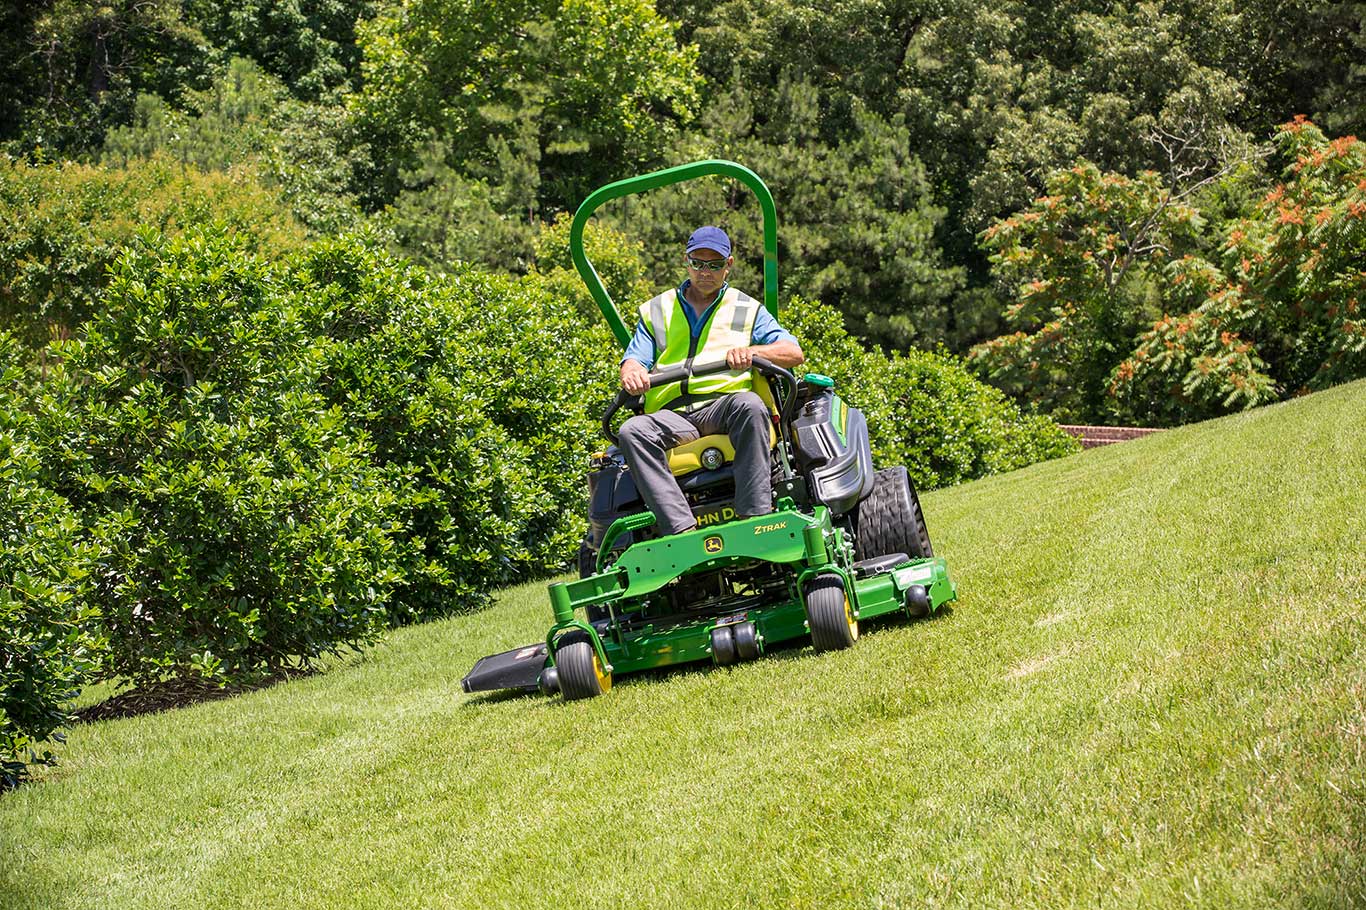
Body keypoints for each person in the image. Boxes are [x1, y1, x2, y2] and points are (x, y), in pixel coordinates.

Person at [617, 225, 805, 536]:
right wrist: (632, 372)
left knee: (750, 405)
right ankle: (680, 531)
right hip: (673, 416)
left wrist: (751, 351)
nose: (706, 272)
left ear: (728, 265)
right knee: (631, 430)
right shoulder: (657, 310)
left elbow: (792, 352)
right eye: (698, 263)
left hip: (723, 408)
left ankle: (755, 519)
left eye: (714, 264)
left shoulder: (745, 309)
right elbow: (635, 359)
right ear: (686, 261)